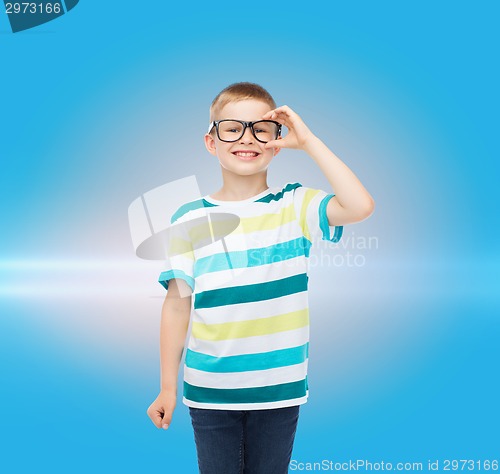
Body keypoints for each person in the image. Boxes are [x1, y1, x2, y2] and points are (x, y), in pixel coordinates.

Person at [147, 82, 375, 473]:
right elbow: (177, 304)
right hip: (210, 390)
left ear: (277, 140)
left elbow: (359, 205)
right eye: (233, 128)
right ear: (211, 141)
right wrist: (168, 385)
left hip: (279, 388)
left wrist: (310, 141)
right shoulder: (188, 218)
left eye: (261, 129)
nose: (246, 138)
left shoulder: (295, 204)